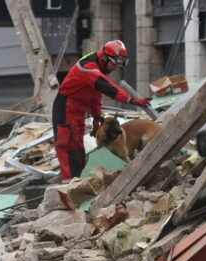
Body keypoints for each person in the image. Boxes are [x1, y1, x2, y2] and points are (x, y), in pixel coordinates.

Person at [52, 39, 150, 181]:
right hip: (66, 107)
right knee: (67, 146)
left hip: (77, 109)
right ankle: (69, 185)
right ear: (105, 58)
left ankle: (78, 182)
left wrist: (97, 117)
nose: (114, 68)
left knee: (78, 147)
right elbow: (107, 87)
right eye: (114, 64)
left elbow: (95, 96)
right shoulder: (88, 67)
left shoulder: (97, 68)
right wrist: (131, 100)